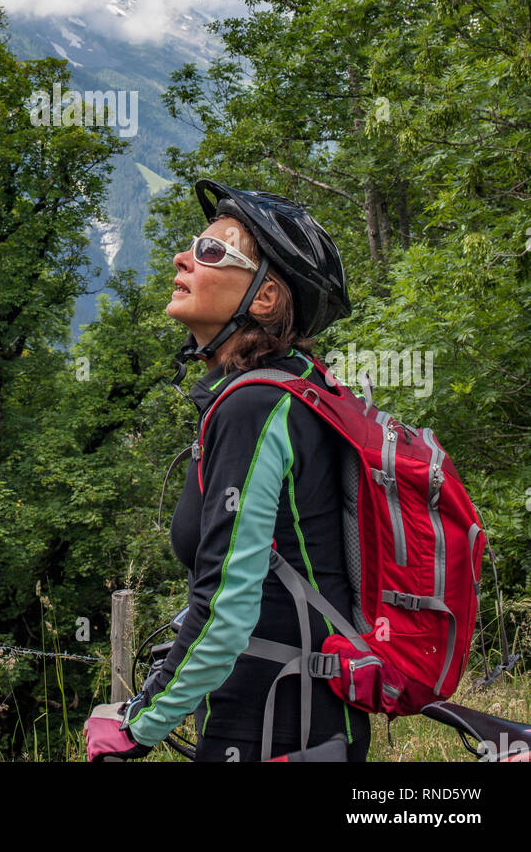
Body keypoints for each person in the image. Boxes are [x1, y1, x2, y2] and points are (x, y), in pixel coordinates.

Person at [84, 178, 372, 763]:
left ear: (264, 298)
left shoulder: (255, 406)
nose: (182, 257)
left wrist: (141, 725)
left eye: (213, 251)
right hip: (302, 719)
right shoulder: (295, 390)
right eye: (194, 245)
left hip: (273, 727)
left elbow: (227, 605)